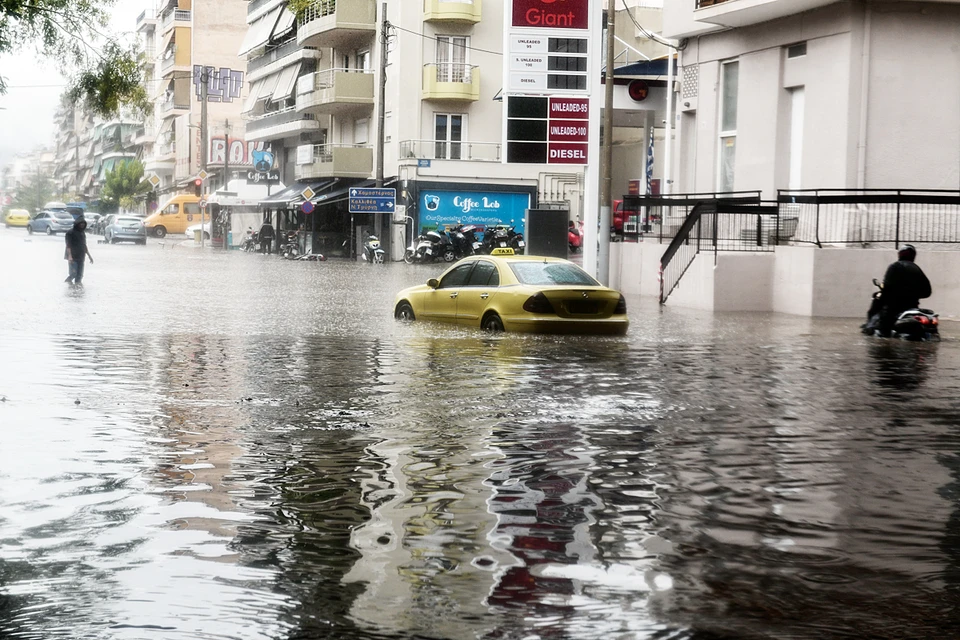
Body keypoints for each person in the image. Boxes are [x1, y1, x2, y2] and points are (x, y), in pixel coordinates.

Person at [873, 244, 932, 336]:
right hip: (912, 306)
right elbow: (927, 292)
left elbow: (887, 286)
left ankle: (883, 345)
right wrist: (913, 294)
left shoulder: (895, 266)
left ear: (900, 254)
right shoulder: (916, 269)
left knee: (883, 328)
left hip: (895, 307)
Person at [64, 217, 93, 285]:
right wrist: (70, 256)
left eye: (83, 223)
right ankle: (67, 286)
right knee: (73, 274)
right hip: (73, 256)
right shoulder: (70, 233)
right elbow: (68, 245)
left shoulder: (82, 233)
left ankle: (77, 290)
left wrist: (89, 256)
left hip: (81, 256)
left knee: (80, 275)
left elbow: (84, 245)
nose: (82, 225)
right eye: (81, 223)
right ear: (77, 224)